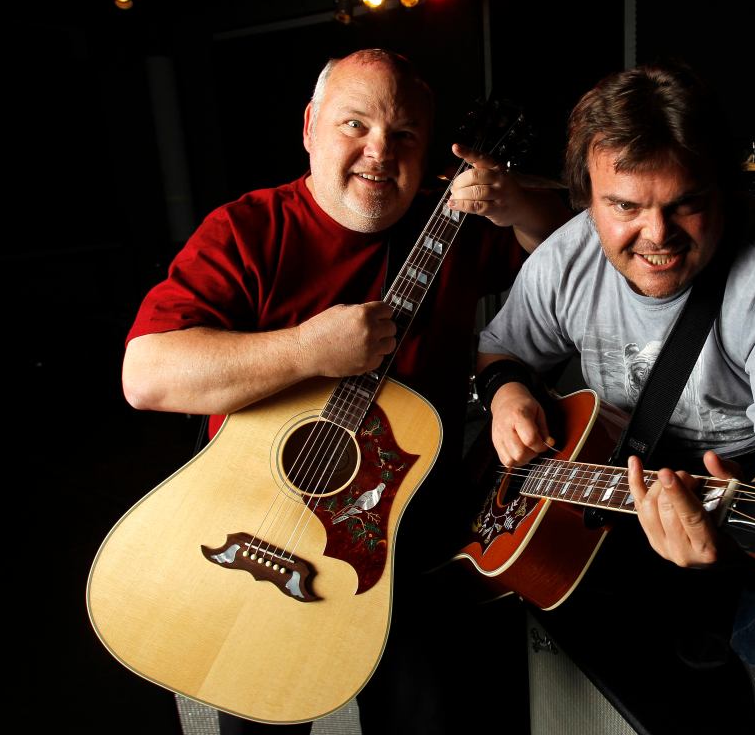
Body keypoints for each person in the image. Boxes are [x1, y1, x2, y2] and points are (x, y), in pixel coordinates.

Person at [122, 48, 569, 734]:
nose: (378, 152)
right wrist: (305, 349)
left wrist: (517, 205)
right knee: (259, 714)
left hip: (409, 536)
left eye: (404, 134)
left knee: (432, 715)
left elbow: (570, 255)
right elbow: (146, 375)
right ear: (309, 127)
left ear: (430, 148)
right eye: (354, 125)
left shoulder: (450, 221)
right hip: (252, 525)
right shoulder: (245, 230)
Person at [473, 61, 755, 735]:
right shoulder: (565, 257)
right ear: (587, 198)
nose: (657, 236)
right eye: (624, 206)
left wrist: (730, 543)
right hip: (609, 474)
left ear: (726, 190)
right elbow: (499, 351)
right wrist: (506, 395)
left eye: (685, 202)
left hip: (736, 491)